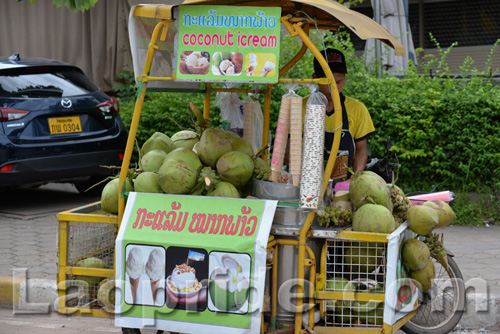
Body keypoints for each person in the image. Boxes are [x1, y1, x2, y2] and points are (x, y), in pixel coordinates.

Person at [312, 48, 375, 179]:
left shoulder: (358, 109)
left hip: (343, 185)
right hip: (308, 184)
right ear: (315, 78)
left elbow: (361, 149)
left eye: (339, 82)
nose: (334, 88)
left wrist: (356, 177)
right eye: (329, 83)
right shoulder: (302, 107)